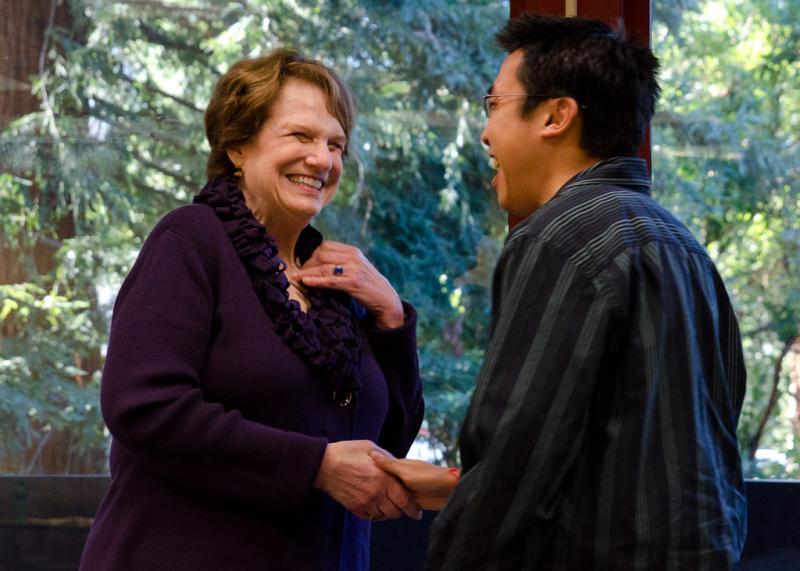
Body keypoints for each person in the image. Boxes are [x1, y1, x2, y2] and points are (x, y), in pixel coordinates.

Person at [373, 14, 747, 570]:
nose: (485, 133)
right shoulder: (681, 244)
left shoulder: (559, 238)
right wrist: (458, 485)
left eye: (494, 104)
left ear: (554, 115)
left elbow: (516, 459)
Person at [80, 49, 424, 571]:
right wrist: (316, 465)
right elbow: (143, 405)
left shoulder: (336, 282)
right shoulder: (190, 239)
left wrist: (392, 318)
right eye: (300, 136)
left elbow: (382, 449)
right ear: (238, 146)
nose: (323, 160)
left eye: (336, 144)